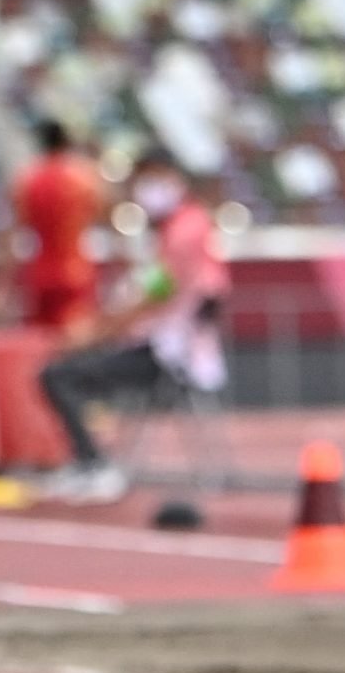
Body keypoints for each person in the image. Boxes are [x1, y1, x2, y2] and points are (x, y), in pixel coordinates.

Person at [35, 148, 230, 504]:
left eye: (153, 178)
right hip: (160, 349)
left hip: (166, 357)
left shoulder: (186, 230)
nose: (147, 188)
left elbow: (154, 296)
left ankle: (95, 464)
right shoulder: (173, 230)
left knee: (57, 375)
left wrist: (96, 334)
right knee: (65, 372)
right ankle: (90, 461)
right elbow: (148, 291)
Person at [6, 118, 105, 337]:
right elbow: (103, 214)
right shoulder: (85, 178)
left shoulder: (28, 179)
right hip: (77, 268)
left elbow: (16, 230)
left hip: (40, 270)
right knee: (75, 339)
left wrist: (3, 279)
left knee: (39, 339)